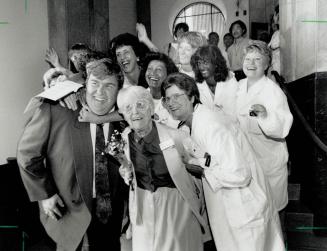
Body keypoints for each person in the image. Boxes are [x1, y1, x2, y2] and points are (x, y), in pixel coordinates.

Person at [161, 72, 286, 251]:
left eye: (177, 96)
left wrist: (201, 170)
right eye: (167, 99)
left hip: (243, 210)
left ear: (192, 96)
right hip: (232, 209)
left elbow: (240, 173)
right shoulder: (196, 121)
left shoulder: (210, 125)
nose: (171, 103)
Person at [17, 59, 128, 251]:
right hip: (68, 212)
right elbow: (27, 154)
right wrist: (45, 194)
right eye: (95, 83)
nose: (100, 92)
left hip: (110, 215)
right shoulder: (58, 108)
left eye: (109, 85)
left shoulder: (126, 118)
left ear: (119, 90)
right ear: (85, 85)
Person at [116, 86, 205, 251]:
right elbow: (127, 169)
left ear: (151, 108)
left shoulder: (177, 137)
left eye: (140, 105)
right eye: (128, 108)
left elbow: (201, 167)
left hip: (176, 205)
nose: (135, 112)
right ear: (123, 114)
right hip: (143, 206)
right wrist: (125, 172)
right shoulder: (123, 140)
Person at [235, 40, 293, 212]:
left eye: (257, 60)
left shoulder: (273, 91)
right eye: (248, 59)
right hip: (246, 158)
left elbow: (283, 126)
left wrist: (266, 116)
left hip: (269, 161)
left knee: (273, 210)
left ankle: (282, 238)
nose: (251, 64)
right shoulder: (238, 87)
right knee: (255, 213)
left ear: (267, 64)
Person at [190, 45, 238, 118]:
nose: (201, 67)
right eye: (199, 63)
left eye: (205, 63)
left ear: (216, 63)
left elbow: (233, 114)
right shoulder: (198, 83)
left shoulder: (230, 82)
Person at [143, 52, 180, 128]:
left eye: (158, 70)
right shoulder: (138, 96)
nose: (153, 73)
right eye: (149, 69)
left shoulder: (175, 100)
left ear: (168, 74)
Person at [268, 5, 280, 75]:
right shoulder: (276, 33)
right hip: (274, 65)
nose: (274, 16)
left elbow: (272, 46)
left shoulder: (279, 33)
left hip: (278, 66)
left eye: (275, 14)